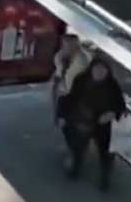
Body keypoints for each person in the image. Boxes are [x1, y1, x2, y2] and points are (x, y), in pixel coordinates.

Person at [58, 58, 125, 191]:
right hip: (82, 119)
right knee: (76, 143)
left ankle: (105, 176)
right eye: (97, 69)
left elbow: (120, 106)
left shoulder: (112, 85)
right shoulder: (81, 80)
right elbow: (72, 98)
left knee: (106, 149)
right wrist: (63, 115)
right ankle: (76, 165)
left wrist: (112, 114)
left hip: (103, 124)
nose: (99, 72)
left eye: (103, 70)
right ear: (91, 69)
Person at [50, 35, 91, 126]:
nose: (66, 49)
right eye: (64, 46)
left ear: (77, 46)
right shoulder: (59, 56)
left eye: (71, 46)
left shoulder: (82, 62)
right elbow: (55, 84)